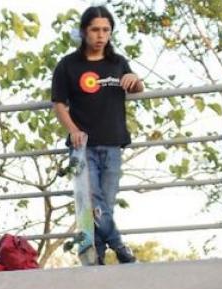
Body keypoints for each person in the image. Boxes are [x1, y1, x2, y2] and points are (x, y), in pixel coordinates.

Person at [51, 5, 143, 265]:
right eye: (95, 30)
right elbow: (59, 103)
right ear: (84, 32)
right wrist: (74, 130)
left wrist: (134, 78)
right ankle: (119, 246)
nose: (101, 35)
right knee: (92, 199)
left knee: (106, 204)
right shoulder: (68, 65)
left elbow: (136, 88)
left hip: (114, 143)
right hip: (83, 146)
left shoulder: (117, 62)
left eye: (106, 30)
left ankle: (99, 255)